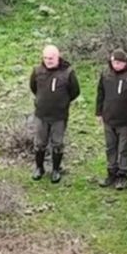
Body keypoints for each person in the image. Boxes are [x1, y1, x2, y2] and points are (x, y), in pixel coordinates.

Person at [29, 44, 80, 183]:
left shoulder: (68, 72)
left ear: (57, 57)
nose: (48, 61)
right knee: (39, 143)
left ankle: (56, 170)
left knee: (57, 143)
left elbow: (75, 92)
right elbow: (33, 87)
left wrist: (62, 103)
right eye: (45, 58)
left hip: (59, 116)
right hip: (41, 115)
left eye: (51, 58)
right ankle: (39, 168)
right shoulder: (37, 71)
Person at [95, 49, 127, 190]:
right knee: (110, 147)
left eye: (118, 63)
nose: (115, 65)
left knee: (124, 149)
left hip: (126, 121)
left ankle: (122, 174)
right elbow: (100, 93)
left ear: (125, 62)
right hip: (109, 118)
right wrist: (99, 112)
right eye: (113, 62)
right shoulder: (106, 74)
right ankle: (111, 172)